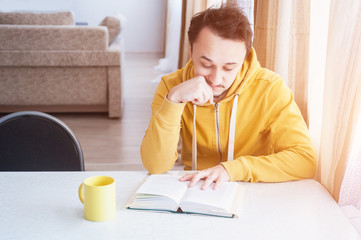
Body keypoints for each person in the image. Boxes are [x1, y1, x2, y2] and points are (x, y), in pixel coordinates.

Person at [140, 3, 316, 190]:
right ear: (191, 52)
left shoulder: (270, 89)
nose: (216, 79)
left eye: (229, 67)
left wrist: (233, 169)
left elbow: (304, 160)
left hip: (253, 190)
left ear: (245, 58)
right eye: (206, 65)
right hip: (198, 191)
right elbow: (155, 166)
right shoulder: (172, 87)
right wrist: (173, 101)